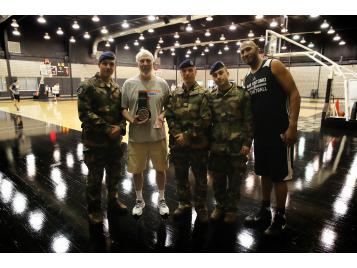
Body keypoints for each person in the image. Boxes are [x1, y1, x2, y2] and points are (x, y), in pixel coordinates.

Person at [240, 41, 301, 235]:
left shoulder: (273, 65)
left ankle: (280, 216)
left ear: (258, 50)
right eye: (241, 52)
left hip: (280, 134)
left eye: (248, 49)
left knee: (279, 176)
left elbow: (294, 93)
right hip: (260, 136)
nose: (244, 53)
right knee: (264, 174)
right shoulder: (247, 78)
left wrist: (292, 125)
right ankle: (265, 210)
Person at [77, 51, 128, 224]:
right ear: (99, 65)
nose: (108, 67)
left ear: (114, 67)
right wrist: (106, 129)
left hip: (114, 143)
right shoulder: (88, 86)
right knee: (95, 177)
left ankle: (113, 201)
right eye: (105, 63)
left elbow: (122, 113)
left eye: (111, 64)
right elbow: (84, 113)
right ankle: (94, 209)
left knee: (114, 175)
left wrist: (120, 128)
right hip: (95, 142)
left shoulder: (117, 88)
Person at [121, 49, 170, 217]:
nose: (145, 63)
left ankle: (162, 199)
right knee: (137, 171)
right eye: (142, 61)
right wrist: (132, 119)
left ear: (153, 63)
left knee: (161, 169)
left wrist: (162, 116)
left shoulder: (162, 83)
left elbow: (169, 107)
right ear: (138, 63)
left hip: (158, 136)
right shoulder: (128, 84)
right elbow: (123, 109)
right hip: (136, 138)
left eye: (148, 60)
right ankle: (139, 200)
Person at [165, 59, 211, 223]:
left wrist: (187, 135)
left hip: (198, 145)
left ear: (195, 71)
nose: (187, 73)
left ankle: (201, 207)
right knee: (180, 177)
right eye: (184, 71)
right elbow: (169, 116)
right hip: (179, 146)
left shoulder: (204, 94)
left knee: (200, 178)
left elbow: (205, 119)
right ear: (181, 73)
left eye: (190, 70)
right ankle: (184, 204)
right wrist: (178, 135)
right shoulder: (175, 94)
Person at [207, 61, 253, 223]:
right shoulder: (211, 97)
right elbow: (208, 122)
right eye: (215, 75)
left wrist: (247, 143)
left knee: (234, 181)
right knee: (218, 181)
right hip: (217, 147)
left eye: (221, 73)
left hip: (237, 146)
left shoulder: (242, 94)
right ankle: (220, 206)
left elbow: (249, 120)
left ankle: (231, 209)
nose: (218, 77)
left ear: (227, 73)